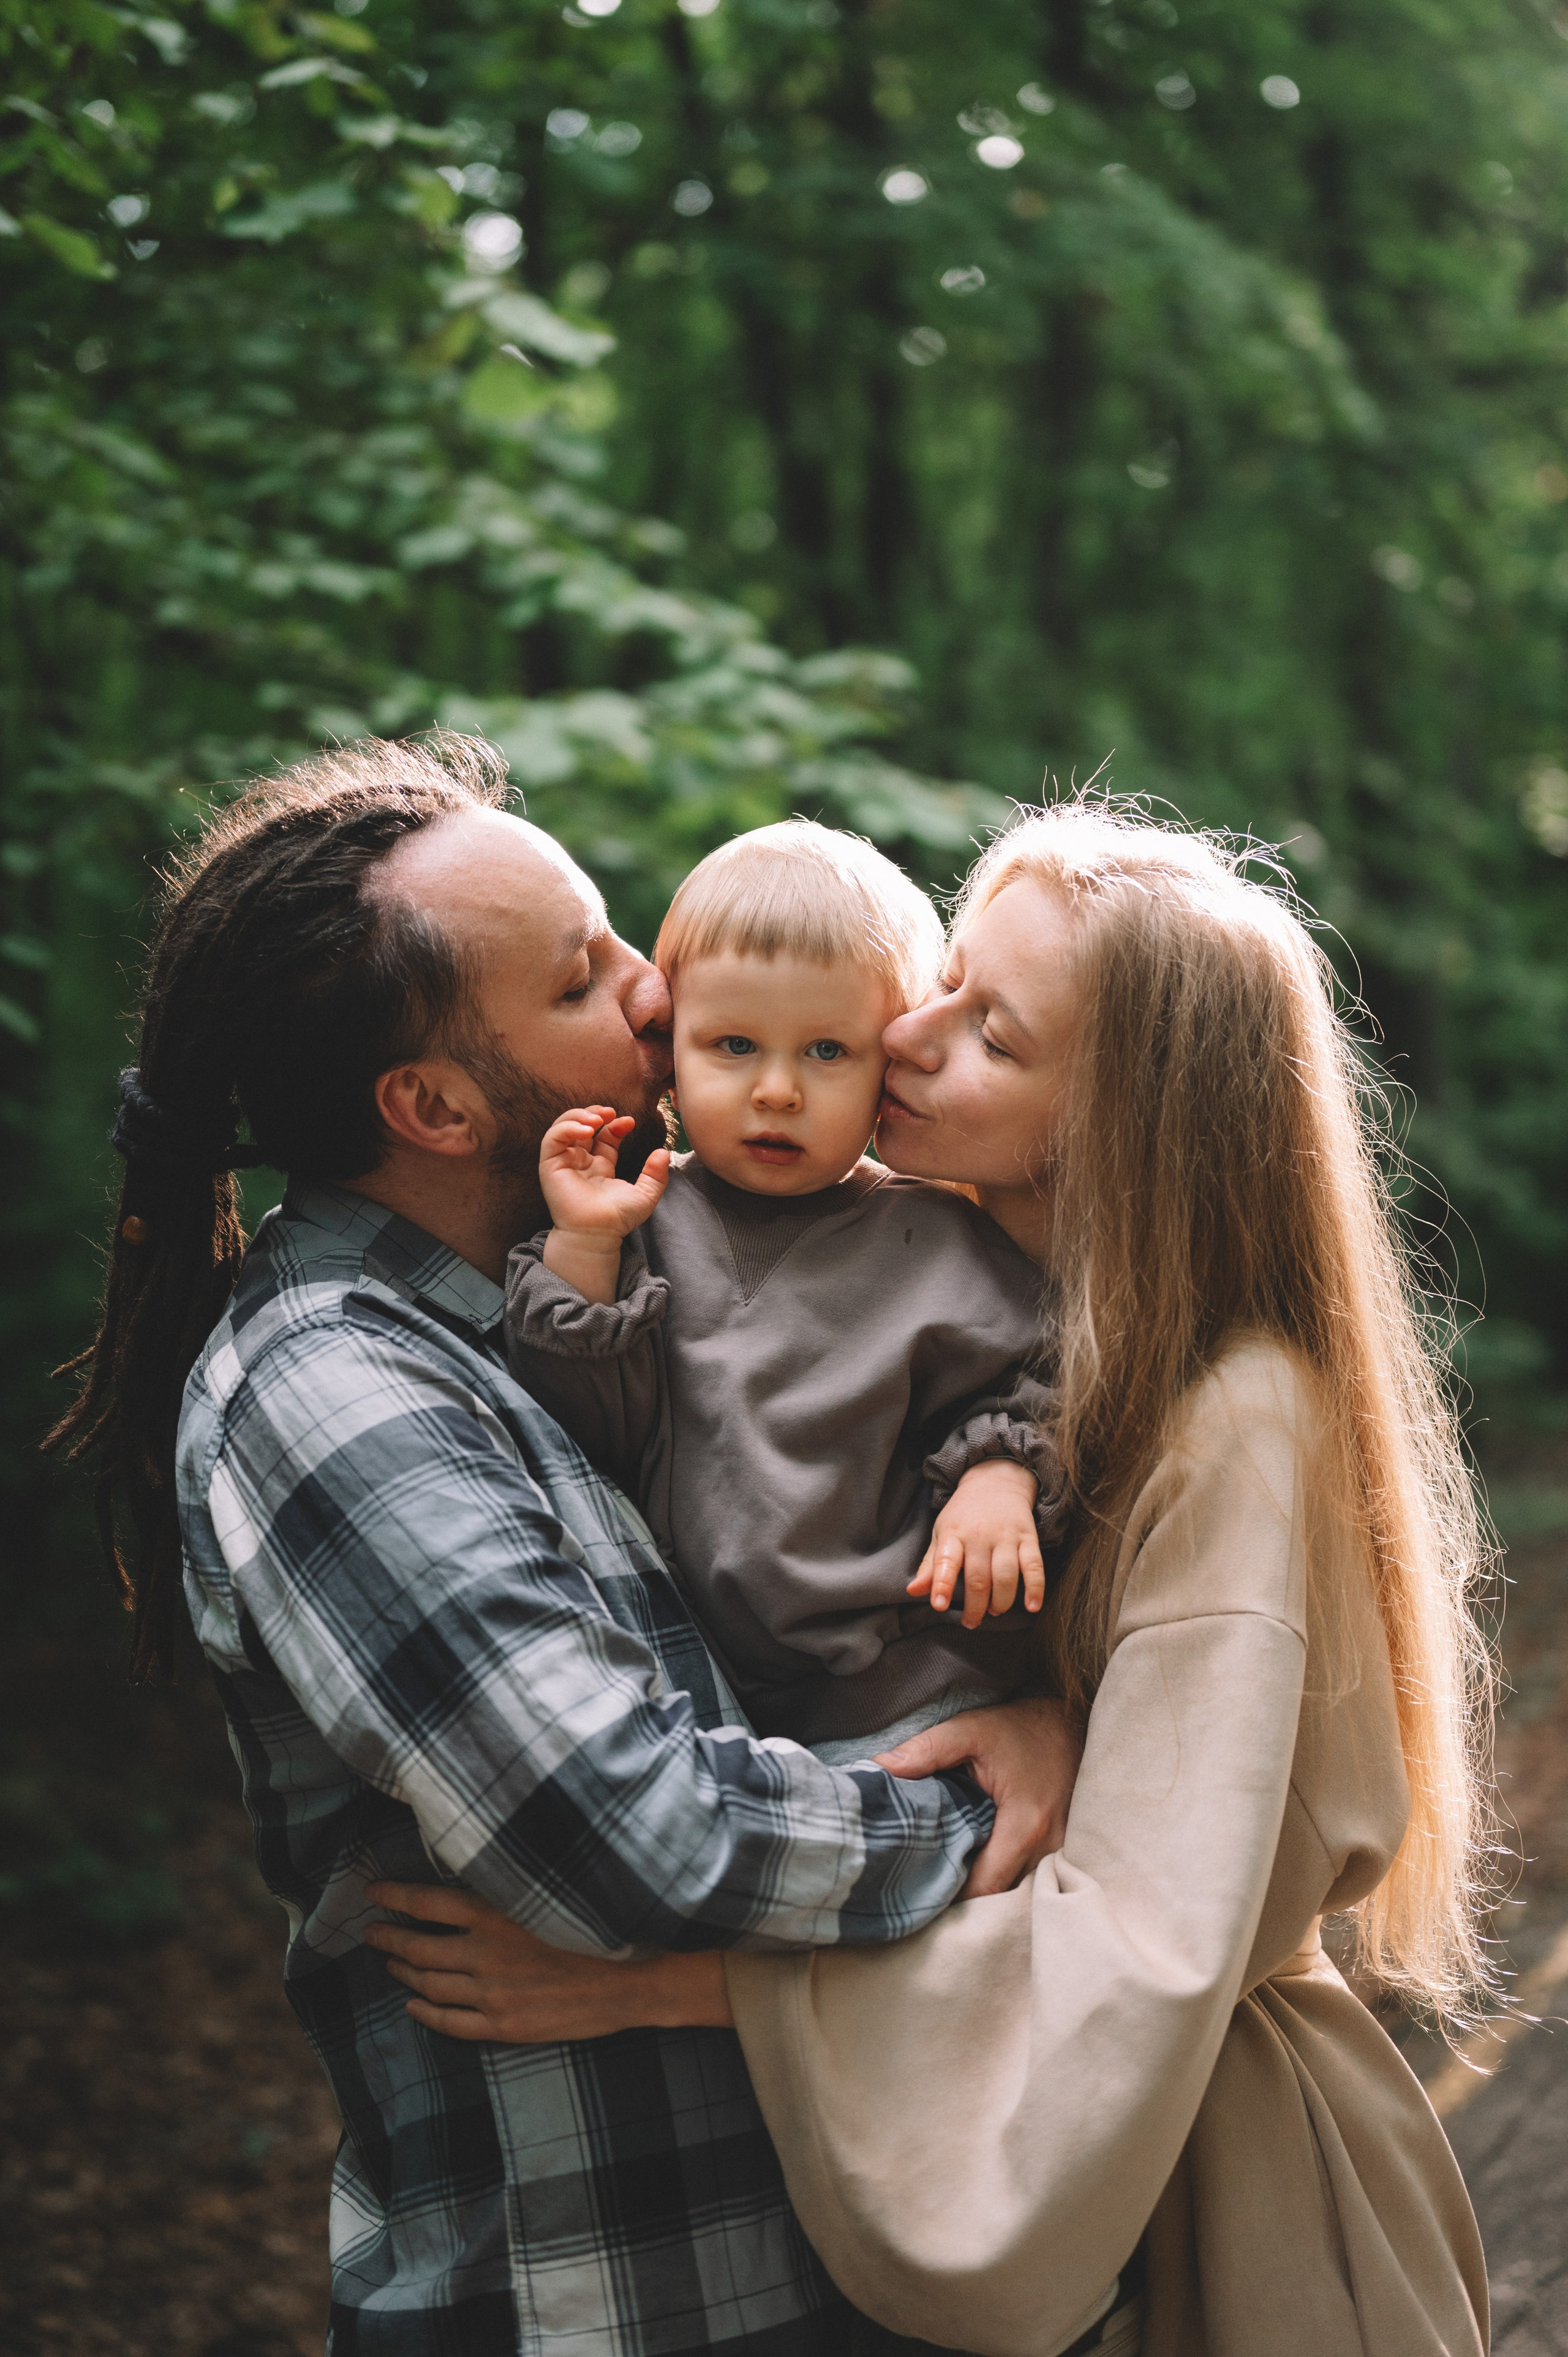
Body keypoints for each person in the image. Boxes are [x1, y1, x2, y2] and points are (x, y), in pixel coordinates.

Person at [372, 805, 1496, 2357]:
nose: (906, 1031)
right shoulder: (1003, 1320)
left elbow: (1153, 1953)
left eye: (989, 1031)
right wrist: (1038, 1722)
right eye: (948, 976)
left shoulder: (1235, 1417)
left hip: (1211, 2215)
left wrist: (678, 1983)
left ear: (1121, 1119)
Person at [46, 736, 1082, 2357]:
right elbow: (634, 1831)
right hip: (585, 2302)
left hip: (800, 2260)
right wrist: (989, 1801)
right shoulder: (334, 1386)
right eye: (589, 973)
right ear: (438, 1104)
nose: (658, 996)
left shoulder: (579, 1308)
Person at [505, 821, 1066, 1762]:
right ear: (671, 1050)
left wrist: (1000, 1475)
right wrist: (585, 1249)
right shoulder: (640, 1217)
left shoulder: (940, 1242)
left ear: (888, 1063)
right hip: (688, 1690)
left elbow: (1047, 1373)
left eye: (827, 1053)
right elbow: (577, 1434)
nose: (776, 1091)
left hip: (904, 1684)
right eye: (733, 1044)